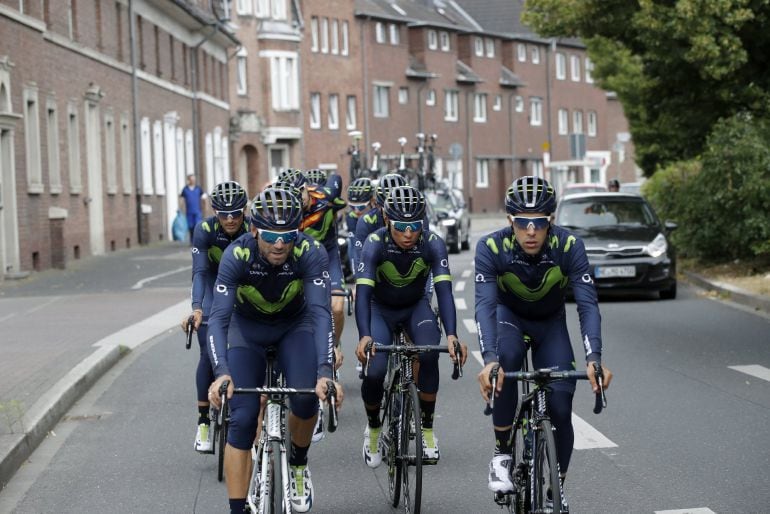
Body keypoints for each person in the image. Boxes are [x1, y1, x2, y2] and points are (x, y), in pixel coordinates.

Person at [475, 176, 613, 512]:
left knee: (562, 408)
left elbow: (587, 305)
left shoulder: (569, 247)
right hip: (510, 318)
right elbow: (484, 306)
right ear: (511, 222)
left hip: (550, 324)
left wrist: (594, 358)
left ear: (551, 220)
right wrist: (489, 359)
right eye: (523, 223)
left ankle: (556, 488)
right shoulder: (491, 247)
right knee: (506, 359)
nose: (531, 231)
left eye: (539, 222)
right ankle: (503, 453)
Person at [206, 188, 343, 514]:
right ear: (254, 230)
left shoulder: (309, 252)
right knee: (240, 418)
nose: (279, 244)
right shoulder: (237, 255)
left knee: (307, 398)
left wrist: (326, 371)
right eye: (269, 235)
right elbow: (219, 318)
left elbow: (322, 313)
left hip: (294, 328)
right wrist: (221, 372)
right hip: (247, 332)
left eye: (288, 236)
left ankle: (298, 464)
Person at [354, 185, 468, 468]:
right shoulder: (374, 243)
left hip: (415, 307)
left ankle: (427, 430)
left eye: (414, 226)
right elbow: (364, 294)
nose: (408, 234)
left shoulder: (433, 243)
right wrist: (364, 335)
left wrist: (452, 334)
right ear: (386, 219)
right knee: (376, 369)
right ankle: (374, 429)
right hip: (379, 309)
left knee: (429, 352)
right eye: (401, 226)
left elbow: (443, 291)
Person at [182, 180, 250, 453]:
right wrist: (197, 307)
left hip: (243, 290)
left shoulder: (251, 228)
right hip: (212, 289)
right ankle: (203, 424)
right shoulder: (205, 229)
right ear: (215, 211)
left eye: (236, 213)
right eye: (224, 214)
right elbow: (199, 272)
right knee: (207, 351)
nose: (231, 219)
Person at [352, 173, 408, 267]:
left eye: (399, 208)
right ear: (377, 205)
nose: (393, 215)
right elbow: (361, 261)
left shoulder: (419, 218)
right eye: (388, 210)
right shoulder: (366, 221)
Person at [180, 174, 207, 242]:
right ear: (188, 180)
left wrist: (205, 207)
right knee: (191, 226)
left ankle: (197, 240)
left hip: (197, 211)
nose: (193, 181)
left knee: (197, 225)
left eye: (194, 179)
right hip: (189, 211)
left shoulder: (198, 189)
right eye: (191, 179)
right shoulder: (185, 189)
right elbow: (182, 200)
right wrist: (181, 208)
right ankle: (191, 240)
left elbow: (204, 198)